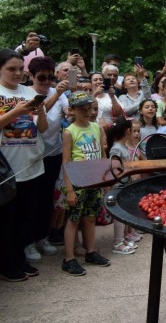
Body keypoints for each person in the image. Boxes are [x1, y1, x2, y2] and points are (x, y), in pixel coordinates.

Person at [0, 49, 48, 281]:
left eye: (20, 68)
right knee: (6, 220)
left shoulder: (29, 91)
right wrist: (16, 112)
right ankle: (7, 265)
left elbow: (43, 128)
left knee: (25, 218)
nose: (17, 73)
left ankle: (19, 259)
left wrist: (39, 113)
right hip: (7, 168)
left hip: (32, 164)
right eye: (11, 69)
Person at [61, 91, 111, 276]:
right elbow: (66, 162)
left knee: (90, 217)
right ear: (72, 110)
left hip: (94, 180)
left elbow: (102, 155)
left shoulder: (97, 128)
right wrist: (69, 189)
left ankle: (91, 251)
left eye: (89, 108)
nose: (87, 112)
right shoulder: (69, 132)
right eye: (82, 109)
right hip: (77, 182)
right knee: (74, 219)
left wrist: (106, 179)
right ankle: (69, 258)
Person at [27, 57, 70, 260]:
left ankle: (42, 237)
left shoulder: (56, 92)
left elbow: (67, 113)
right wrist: (59, 92)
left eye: (50, 77)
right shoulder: (27, 94)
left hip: (54, 153)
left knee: (46, 200)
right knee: (31, 201)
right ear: (31, 77)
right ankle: (28, 242)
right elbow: (39, 116)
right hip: (33, 157)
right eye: (41, 77)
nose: (46, 82)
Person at [106, 117, 137, 255]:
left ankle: (123, 238)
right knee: (119, 215)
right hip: (118, 186)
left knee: (124, 213)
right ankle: (117, 242)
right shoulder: (116, 149)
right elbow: (114, 170)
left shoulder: (122, 146)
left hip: (124, 184)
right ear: (127, 131)